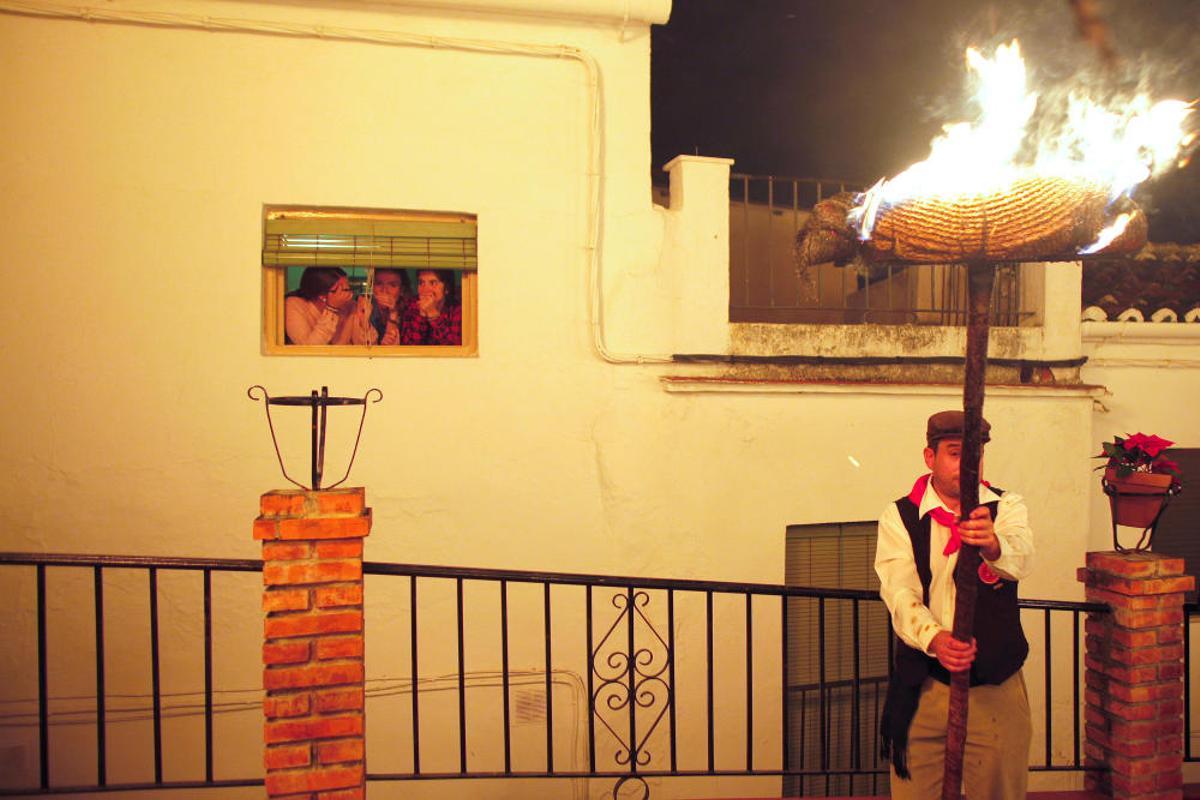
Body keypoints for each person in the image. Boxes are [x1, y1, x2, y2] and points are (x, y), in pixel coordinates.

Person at [875, 410, 1034, 800]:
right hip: (924, 685)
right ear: (929, 458)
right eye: (955, 453)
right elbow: (899, 591)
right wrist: (935, 638)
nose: (968, 465)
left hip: (993, 687)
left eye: (975, 455)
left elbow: (1021, 559)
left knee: (999, 791)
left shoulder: (1006, 507)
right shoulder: (900, 516)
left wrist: (993, 545)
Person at [284, 267, 371, 345]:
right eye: (344, 290)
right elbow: (309, 348)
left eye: (349, 289)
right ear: (322, 296)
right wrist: (331, 309)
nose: (349, 295)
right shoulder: (295, 305)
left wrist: (364, 323)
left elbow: (368, 349)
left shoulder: (350, 306)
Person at [400, 269, 462, 346]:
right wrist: (422, 315)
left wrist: (433, 315)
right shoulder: (412, 305)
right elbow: (409, 347)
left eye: (433, 283)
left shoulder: (457, 310)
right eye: (421, 283)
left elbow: (455, 350)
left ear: (447, 288)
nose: (425, 289)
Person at [367, 268, 410, 346]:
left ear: (401, 290)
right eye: (379, 283)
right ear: (372, 288)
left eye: (392, 285)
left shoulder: (409, 314)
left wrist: (393, 312)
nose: (384, 290)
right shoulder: (366, 311)